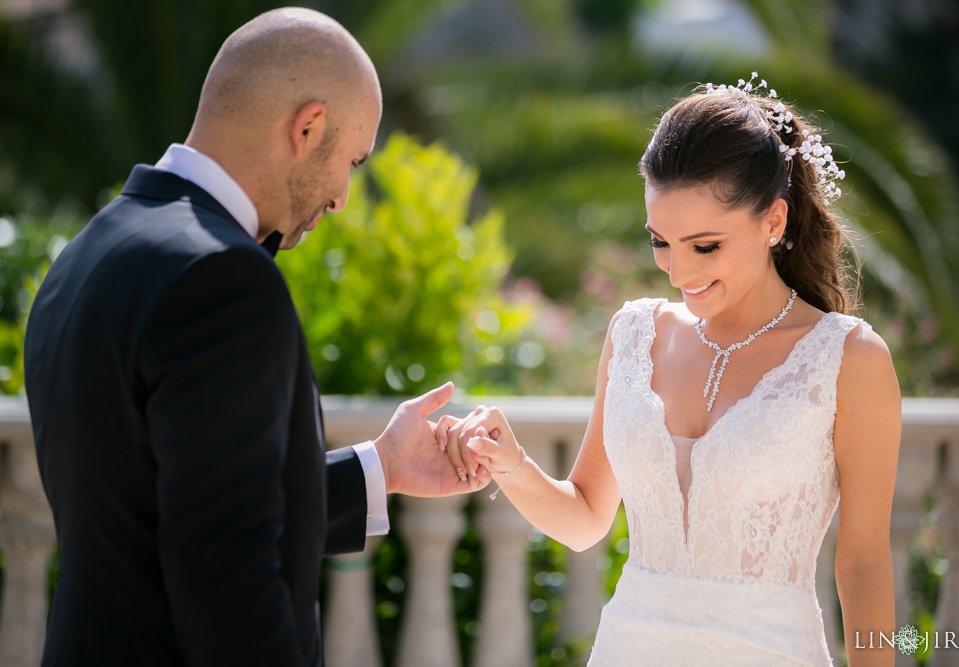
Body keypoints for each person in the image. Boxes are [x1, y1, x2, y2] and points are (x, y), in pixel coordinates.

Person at [23, 8, 485, 667]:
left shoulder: (88, 253)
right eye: (352, 161)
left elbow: (167, 505)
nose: (343, 197)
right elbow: (227, 575)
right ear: (308, 127)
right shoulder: (222, 275)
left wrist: (384, 467)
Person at [442, 75, 902, 665]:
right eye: (660, 241)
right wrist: (513, 465)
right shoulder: (634, 334)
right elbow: (585, 518)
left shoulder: (848, 359)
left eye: (704, 246)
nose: (678, 272)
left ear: (774, 222)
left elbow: (863, 566)